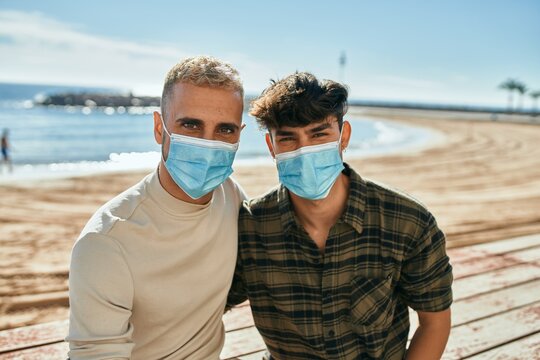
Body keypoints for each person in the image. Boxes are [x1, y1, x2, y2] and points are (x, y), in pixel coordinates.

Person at [227, 72, 453, 360]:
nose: (304, 150)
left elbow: (434, 322)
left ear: (343, 136)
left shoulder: (408, 221)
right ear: (272, 148)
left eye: (319, 134)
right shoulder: (250, 227)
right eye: (288, 139)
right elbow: (205, 303)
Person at [67, 56, 247, 359]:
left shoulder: (232, 198)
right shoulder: (107, 242)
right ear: (159, 128)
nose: (208, 143)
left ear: (239, 135)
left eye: (225, 130)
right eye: (191, 124)